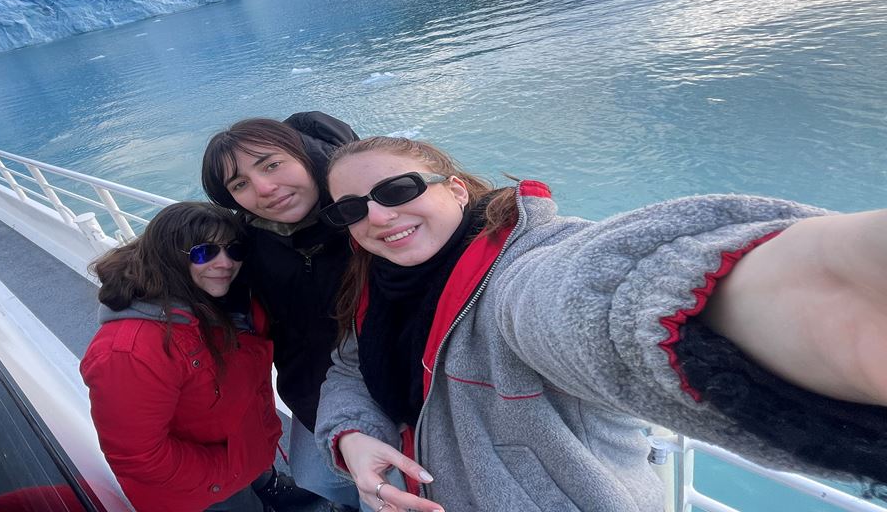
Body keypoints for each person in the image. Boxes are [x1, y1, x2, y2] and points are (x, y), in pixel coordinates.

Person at [313, 136, 887, 512]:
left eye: (398, 190)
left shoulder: (519, 271)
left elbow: (584, 294)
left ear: (456, 188)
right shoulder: (381, 288)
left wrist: (779, 283)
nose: (378, 215)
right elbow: (350, 369)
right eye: (352, 209)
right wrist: (354, 437)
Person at [202, 114, 361, 511]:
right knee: (317, 477)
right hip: (311, 390)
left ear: (305, 155)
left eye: (271, 164)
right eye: (240, 184)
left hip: (402, 387)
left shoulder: (368, 210)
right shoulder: (247, 244)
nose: (264, 189)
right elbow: (184, 275)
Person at [79, 202, 283, 512]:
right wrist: (230, 471)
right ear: (169, 257)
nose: (226, 263)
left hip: (243, 456)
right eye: (204, 252)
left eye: (234, 250)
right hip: (202, 490)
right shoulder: (129, 353)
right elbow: (140, 456)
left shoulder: (222, 302)